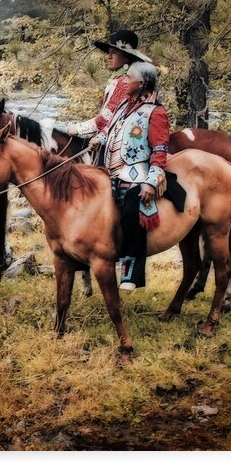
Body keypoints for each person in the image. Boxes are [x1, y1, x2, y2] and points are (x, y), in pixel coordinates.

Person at [95, 61, 170, 290]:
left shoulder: (155, 112)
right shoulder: (123, 106)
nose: (125, 81)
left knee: (131, 210)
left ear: (142, 83)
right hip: (111, 170)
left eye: (129, 78)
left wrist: (151, 181)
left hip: (137, 175)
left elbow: (160, 149)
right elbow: (111, 132)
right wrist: (98, 140)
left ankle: (131, 274)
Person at [65, 29, 153, 140]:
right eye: (109, 52)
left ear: (127, 57)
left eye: (114, 53)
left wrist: (78, 128)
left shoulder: (125, 81)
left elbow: (107, 116)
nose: (109, 56)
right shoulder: (124, 77)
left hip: (124, 139)